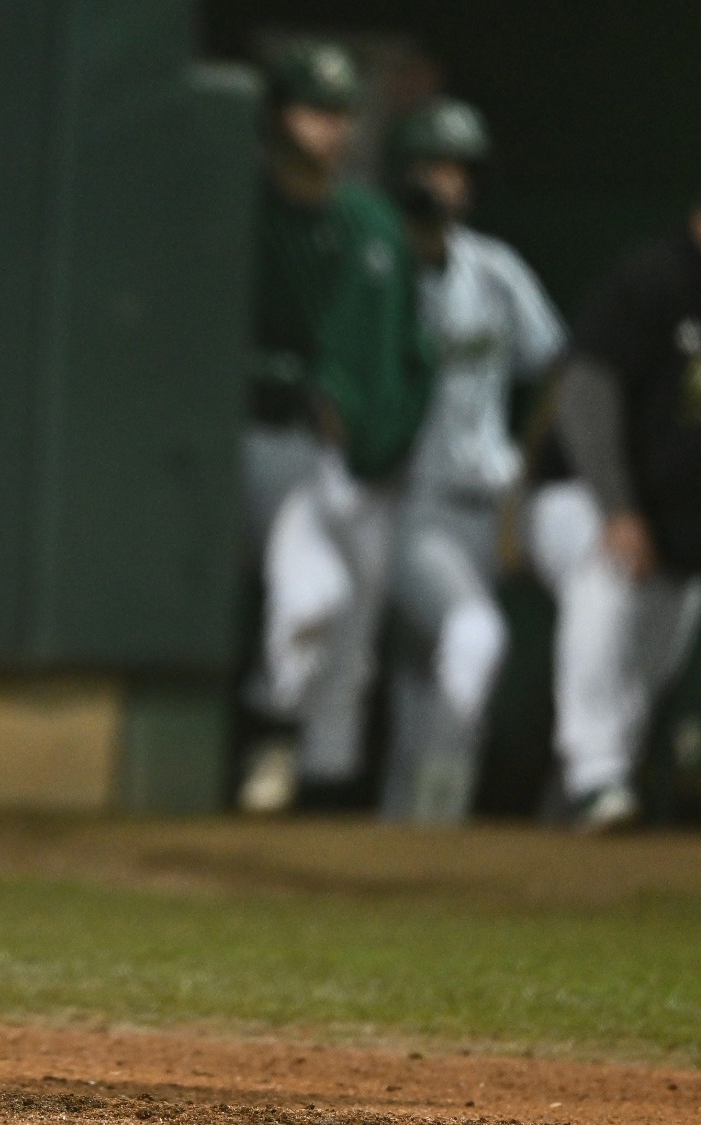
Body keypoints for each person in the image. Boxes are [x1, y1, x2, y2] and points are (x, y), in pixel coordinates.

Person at [527, 152, 701, 830]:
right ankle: (595, 777)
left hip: (684, 532)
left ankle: (574, 804)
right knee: (605, 579)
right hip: (581, 497)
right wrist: (618, 509)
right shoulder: (652, 280)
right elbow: (582, 391)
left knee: (641, 676)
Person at [236, 42, 435, 813]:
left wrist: (384, 429)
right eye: (314, 111)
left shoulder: (368, 220)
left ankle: (320, 782)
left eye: (340, 115)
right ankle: (271, 733)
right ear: (279, 115)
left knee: (348, 630)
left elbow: (411, 355)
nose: (329, 130)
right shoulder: (244, 205)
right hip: (265, 440)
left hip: (356, 457)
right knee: (313, 596)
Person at [378, 98, 566, 824]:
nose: (445, 182)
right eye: (431, 165)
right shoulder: (377, 261)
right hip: (408, 504)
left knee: (429, 677)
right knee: (472, 638)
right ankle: (439, 816)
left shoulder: (495, 269)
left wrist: (526, 473)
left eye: (457, 168)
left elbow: (559, 366)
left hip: (487, 501)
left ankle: (407, 836)